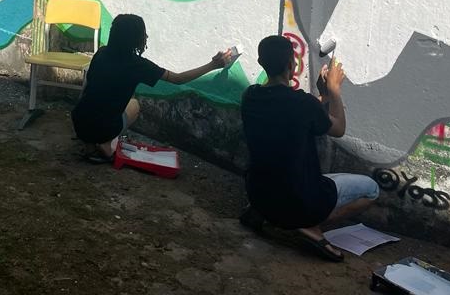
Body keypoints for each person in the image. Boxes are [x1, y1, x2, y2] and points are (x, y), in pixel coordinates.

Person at [239, 35, 380, 262]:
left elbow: (301, 115)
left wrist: (322, 95)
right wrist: (334, 90)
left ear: (261, 63)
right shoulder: (302, 104)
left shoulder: (250, 96)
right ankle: (308, 226)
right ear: (291, 66)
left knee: (305, 179)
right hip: (301, 202)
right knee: (371, 189)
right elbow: (338, 128)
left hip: (259, 194)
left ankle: (269, 215)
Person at [71, 14, 232, 161]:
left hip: (79, 121)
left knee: (100, 105)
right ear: (135, 39)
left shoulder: (101, 53)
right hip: (103, 128)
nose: (146, 37)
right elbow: (178, 79)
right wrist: (213, 65)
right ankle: (105, 143)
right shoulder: (138, 65)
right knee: (133, 105)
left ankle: (89, 143)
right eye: (143, 34)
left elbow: (87, 86)